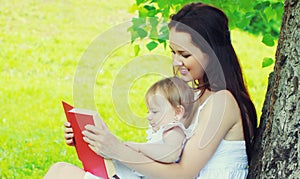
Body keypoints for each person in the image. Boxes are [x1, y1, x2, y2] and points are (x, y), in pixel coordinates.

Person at [44, 2, 257, 179]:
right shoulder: (191, 98)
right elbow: (162, 156)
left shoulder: (223, 102)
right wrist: (95, 141)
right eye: (173, 52)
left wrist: (118, 149)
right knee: (60, 171)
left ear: (212, 52)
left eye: (185, 54)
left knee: (63, 174)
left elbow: (183, 173)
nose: (176, 61)